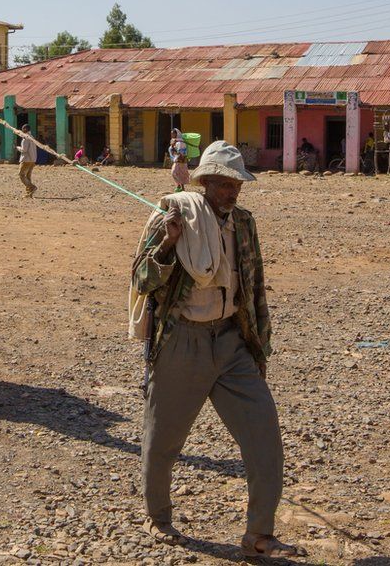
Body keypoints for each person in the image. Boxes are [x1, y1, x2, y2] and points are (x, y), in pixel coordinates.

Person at [129, 140, 303, 559]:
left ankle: (259, 534)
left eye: (236, 183)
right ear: (204, 182)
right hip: (181, 342)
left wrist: (259, 346)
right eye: (223, 184)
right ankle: (159, 518)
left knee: (265, 438)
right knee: (163, 439)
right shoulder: (174, 215)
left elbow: (254, 286)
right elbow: (142, 279)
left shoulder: (243, 223)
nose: (231, 191)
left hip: (231, 342)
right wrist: (169, 243)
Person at [17, 124, 37, 197]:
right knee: (28, 176)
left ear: (25, 129)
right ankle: (29, 193)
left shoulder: (25, 138)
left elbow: (24, 150)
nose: (22, 130)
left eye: (23, 129)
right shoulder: (32, 137)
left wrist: (18, 148)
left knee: (21, 175)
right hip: (33, 160)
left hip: (26, 160)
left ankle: (32, 187)